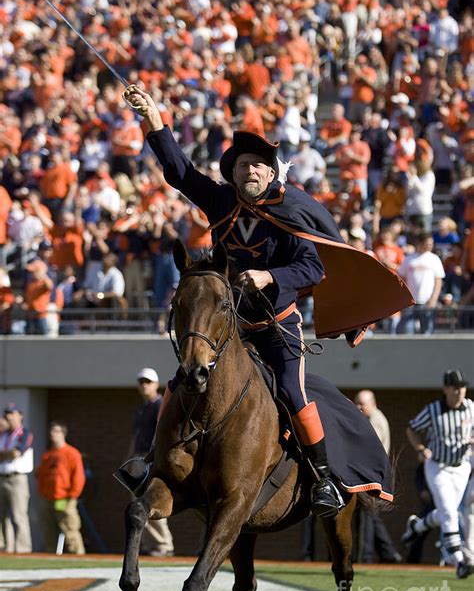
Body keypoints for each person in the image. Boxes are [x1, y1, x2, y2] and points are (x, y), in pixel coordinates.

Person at [122, 84, 412, 518]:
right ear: (233, 173)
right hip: (231, 327)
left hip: (278, 328)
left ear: (272, 173)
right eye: (243, 165)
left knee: (294, 393)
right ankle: (153, 463)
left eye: (259, 165)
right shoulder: (220, 203)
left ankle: (324, 479)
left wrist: (269, 276)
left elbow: (314, 269)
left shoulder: (294, 211)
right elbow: (179, 171)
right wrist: (154, 119)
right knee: (182, 380)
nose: (251, 171)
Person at [401, 369, 473, 579]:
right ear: (446, 389)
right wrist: (420, 449)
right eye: (455, 387)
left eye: (462, 386)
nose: (460, 391)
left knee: (445, 512)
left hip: (461, 467)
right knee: (450, 513)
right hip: (438, 467)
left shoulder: (471, 407)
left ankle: (416, 526)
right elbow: (411, 429)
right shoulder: (433, 410)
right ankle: (460, 562)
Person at [118, 368, 174, 556]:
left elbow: (163, 433)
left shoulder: (160, 404)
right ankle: (151, 545)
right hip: (139, 458)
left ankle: (164, 545)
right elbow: (136, 436)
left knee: (151, 500)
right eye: (141, 382)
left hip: (152, 458)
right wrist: (129, 457)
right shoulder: (142, 408)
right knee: (137, 502)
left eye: (148, 382)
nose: (144, 385)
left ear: (156, 385)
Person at [354, 390, 402, 563]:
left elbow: (367, 448)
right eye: (356, 403)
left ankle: (365, 556)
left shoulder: (375, 420)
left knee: (368, 515)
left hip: (371, 474)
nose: (358, 407)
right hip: (372, 473)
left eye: (362, 404)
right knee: (372, 515)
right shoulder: (372, 418)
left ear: (373, 404)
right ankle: (389, 554)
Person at [36, 422, 86, 554]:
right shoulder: (47, 455)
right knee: (48, 532)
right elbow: (41, 475)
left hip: (65, 498)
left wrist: (72, 495)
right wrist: (41, 493)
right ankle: (51, 560)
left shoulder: (72, 453)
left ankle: (78, 558)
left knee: (70, 530)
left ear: (63, 434)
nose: (53, 434)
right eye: (51, 431)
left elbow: (78, 476)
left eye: (56, 431)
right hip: (47, 498)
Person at [0, 403, 33, 553]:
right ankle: (7, 547)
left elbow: (17, 452)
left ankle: (23, 549)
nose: (9, 417)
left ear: (20, 415)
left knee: (19, 515)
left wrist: (4, 454)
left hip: (17, 479)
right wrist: (7, 454)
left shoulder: (24, 433)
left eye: (12, 414)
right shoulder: (3, 434)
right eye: (7, 414)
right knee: (2, 516)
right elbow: (10, 453)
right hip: (2, 477)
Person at [397, 233, 445, 335]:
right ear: (419, 243)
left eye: (431, 243)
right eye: (427, 243)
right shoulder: (408, 259)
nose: (430, 246)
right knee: (407, 331)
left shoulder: (434, 259)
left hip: (427, 302)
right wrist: (404, 298)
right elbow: (401, 279)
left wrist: (433, 299)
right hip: (410, 302)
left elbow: (438, 281)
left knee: (427, 333)